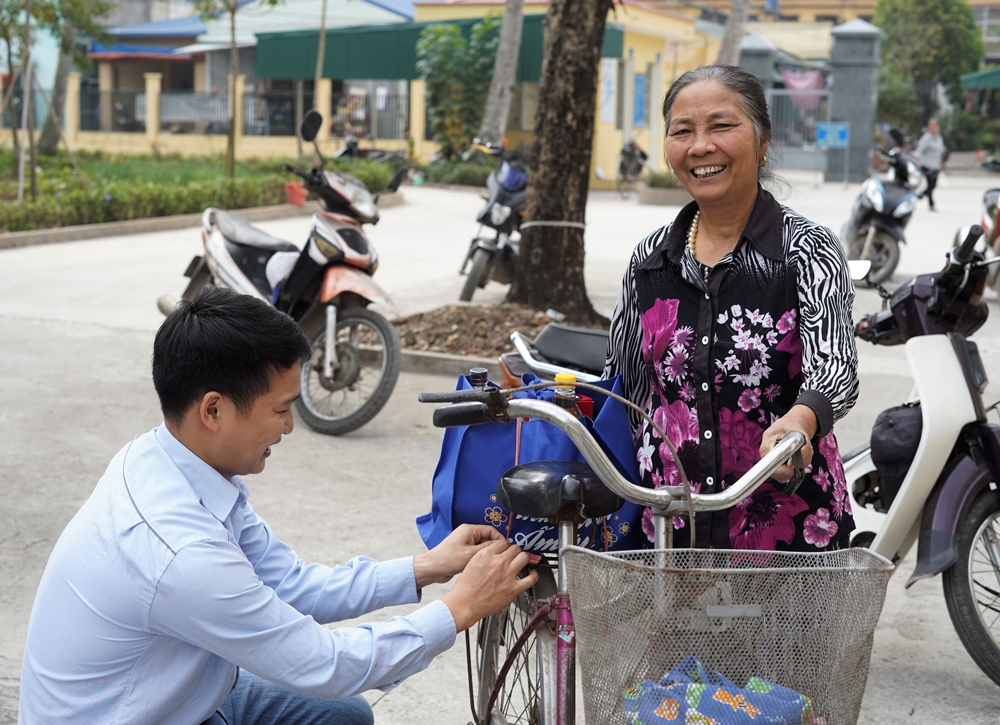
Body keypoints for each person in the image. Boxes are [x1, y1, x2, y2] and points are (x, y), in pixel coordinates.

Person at [18, 287, 537, 725]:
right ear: (214, 409)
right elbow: (325, 664)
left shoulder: (170, 461)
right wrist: (460, 607)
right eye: (281, 410)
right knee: (335, 696)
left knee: (345, 716)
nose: (289, 428)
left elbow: (288, 584)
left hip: (180, 695)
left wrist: (427, 568)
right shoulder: (179, 552)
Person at [605, 65, 860, 551]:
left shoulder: (806, 248)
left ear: (763, 142)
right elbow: (630, 388)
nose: (700, 146)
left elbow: (835, 370)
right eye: (682, 131)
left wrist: (799, 423)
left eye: (721, 126)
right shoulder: (650, 260)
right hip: (671, 527)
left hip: (788, 524)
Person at [915, 118, 946, 211]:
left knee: (933, 185)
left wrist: (941, 165)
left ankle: (921, 195)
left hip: (935, 165)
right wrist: (917, 164)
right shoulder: (926, 138)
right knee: (930, 185)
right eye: (931, 126)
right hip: (926, 164)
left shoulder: (939, 138)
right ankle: (931, 204)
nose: (933, 128)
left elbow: (939, 153)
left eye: (935, 126)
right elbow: (919, 152)